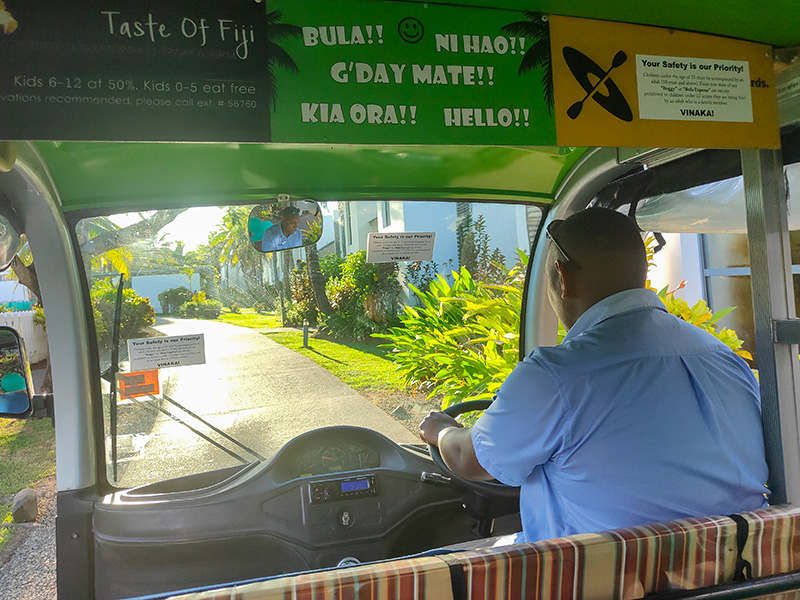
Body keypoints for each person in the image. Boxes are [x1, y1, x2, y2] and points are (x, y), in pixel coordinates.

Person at [419, 207, 768, 544]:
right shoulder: (724, 359)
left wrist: (440, 429)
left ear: (563, 277)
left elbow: (468, 459)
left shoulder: (556, 376)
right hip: (737, 568)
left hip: (600, 574)